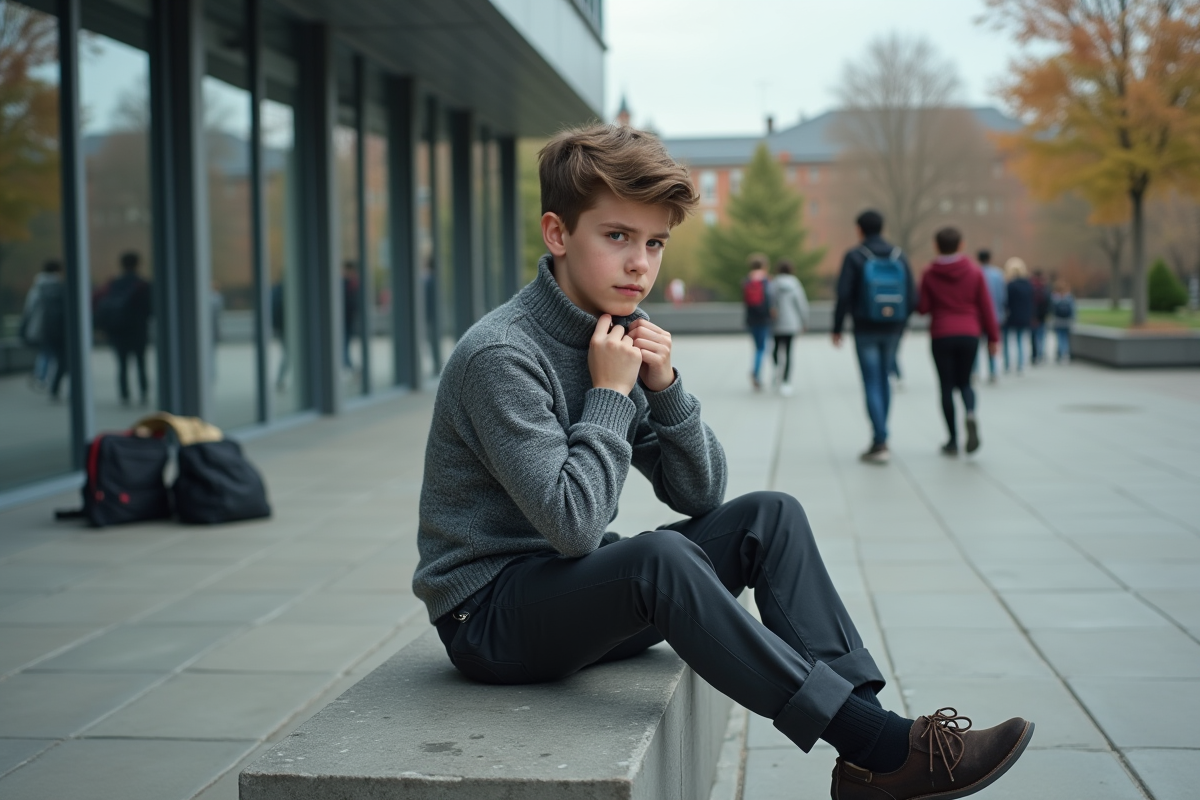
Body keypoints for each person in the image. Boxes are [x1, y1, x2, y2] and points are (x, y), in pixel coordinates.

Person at [413, 123, 1033, 800]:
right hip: (490, 618)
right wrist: (610, 395)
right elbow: (574, 527)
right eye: (617, 236)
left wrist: (664, 389)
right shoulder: (501, 355)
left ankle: (872, 746)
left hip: (572, 598)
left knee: (771, 517)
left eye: (655, 243)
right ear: (557, 233)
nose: (640, 264)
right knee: (658, 559)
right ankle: (882, 745)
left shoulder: (618, 337)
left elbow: (702, 494)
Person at [832, 210, 916, 464]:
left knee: (871, 382)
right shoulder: (899, 255)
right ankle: (882, 434)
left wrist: (837, 327)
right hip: (893, 328)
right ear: (883, 228)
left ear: (859, 229)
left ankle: (880, 440)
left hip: (865, 327)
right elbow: (912, 295)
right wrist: (902, 323)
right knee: (885, 379)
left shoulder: (855, 256)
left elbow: (843, 294)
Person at [917, 228, 1000, 456]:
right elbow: (986, 307)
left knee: (945, 387)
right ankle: (970, 412)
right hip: (969, 333)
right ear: (961, 245)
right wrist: (993, 338)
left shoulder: (929, 273)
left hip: (941, 334)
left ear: (936, 246)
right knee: (965, 382)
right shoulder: (974, 272)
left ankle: (952, 440)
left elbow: (923, 308)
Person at [95, 251, 152, 407]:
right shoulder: (143, 285)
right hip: (138, 329)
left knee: (122, 365)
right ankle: (143, 393)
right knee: (141, 363)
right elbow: (150, 309)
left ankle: (124, 394)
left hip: (118, 330)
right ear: (138, 264)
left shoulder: (113, 284)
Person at [19, 260, 65, 390]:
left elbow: (28, 308)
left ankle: (41, 376)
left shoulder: (37, 285)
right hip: (53, 326)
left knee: (44, 352)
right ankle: (46, 378)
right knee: (52, 354)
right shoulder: (57, 286)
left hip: (38, 325)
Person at [770, 259, 809, 396]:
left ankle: (776, 369)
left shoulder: (773, 283)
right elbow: (801, 304)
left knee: (775, 348)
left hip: (776, 322)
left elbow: (769, 302)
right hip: (792, 323)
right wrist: (804, 320)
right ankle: (786, 381)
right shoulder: (795, 284)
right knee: (788, 352)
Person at [743, 253, 773, 390]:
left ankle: (756, 372)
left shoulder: (747, 281)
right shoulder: (766, 280)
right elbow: (770, 299)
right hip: (764, 318)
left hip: (751, 318)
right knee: (762, 348)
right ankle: (756, 373)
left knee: (756, 347)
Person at [978, 249, 1006, 383]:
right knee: (992, 343)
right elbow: (1002, 296)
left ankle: (974, 371)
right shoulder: (998, 274)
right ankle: (993, 371)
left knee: (976, 345)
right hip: (995, 315)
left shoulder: (975, 273)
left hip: (977, 316)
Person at [1003, 258, 1034, 375]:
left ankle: (1007, 365)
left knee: (1006, 341)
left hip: (1010, 316)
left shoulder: (1010, 285)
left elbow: (1006, 302)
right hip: (1024, 316)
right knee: (1021, 340)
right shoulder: (1028, 285)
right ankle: (1021, 365)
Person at [1051, 279, 1076, 363]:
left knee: (1059, 338)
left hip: (1058, 321)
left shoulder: (1055, 297)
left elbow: (1052, 310)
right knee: (1065, 338)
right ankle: (1065, 354)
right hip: (1067, 321)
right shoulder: (1069, 297)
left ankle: (1061, 354)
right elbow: (1073, 309)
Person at [1030, 269, 1050, 365]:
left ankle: (1035, 356)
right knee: (1041, 336)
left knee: (1034, 337)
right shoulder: (1044, 288)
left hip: (1033, 317)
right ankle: (1041, 354)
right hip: (1042, 316)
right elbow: (1048, 302)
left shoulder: (1031, 287)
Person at [342, 260, 360, 370]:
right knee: (344, 342)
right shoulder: (346, 283)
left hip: (348, 318)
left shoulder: (351, 283)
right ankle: (347, 364)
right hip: (346, 318)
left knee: (346, 342)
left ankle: (347, 363)